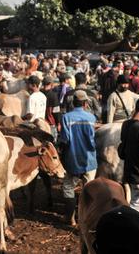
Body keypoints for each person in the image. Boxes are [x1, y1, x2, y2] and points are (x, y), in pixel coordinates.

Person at [59, 90, 97, 226]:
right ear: (86, 103)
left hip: (72, 159)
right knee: (88, 189)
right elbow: (93, 140)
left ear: (73, 102)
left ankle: (70, 218)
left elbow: (65, 139)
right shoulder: (91, 118)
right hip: (90, 159)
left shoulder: (66, 118)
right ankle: (87, 218)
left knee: (69, 187)